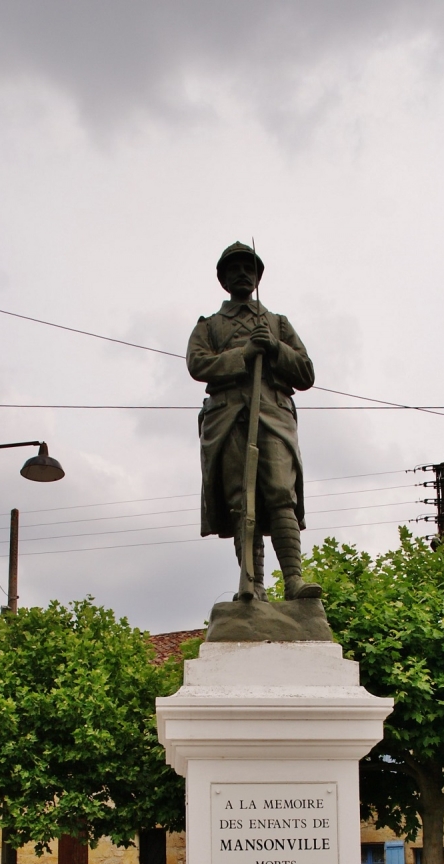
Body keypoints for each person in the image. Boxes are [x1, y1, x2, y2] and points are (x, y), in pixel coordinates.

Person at [187, 242, 321, 600]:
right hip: (229, 416)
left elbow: (306, 373)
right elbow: (197, 364)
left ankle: (293, 580)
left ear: (259, 275)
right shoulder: (210, 326)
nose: (242, 273)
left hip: (272, 414)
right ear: (223, 278)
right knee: (241, 500)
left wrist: (276, 349)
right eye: (234, 268)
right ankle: (253, 584)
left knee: (279, 492)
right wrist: (242, 354)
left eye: (249, 267)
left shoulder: (277, 323)